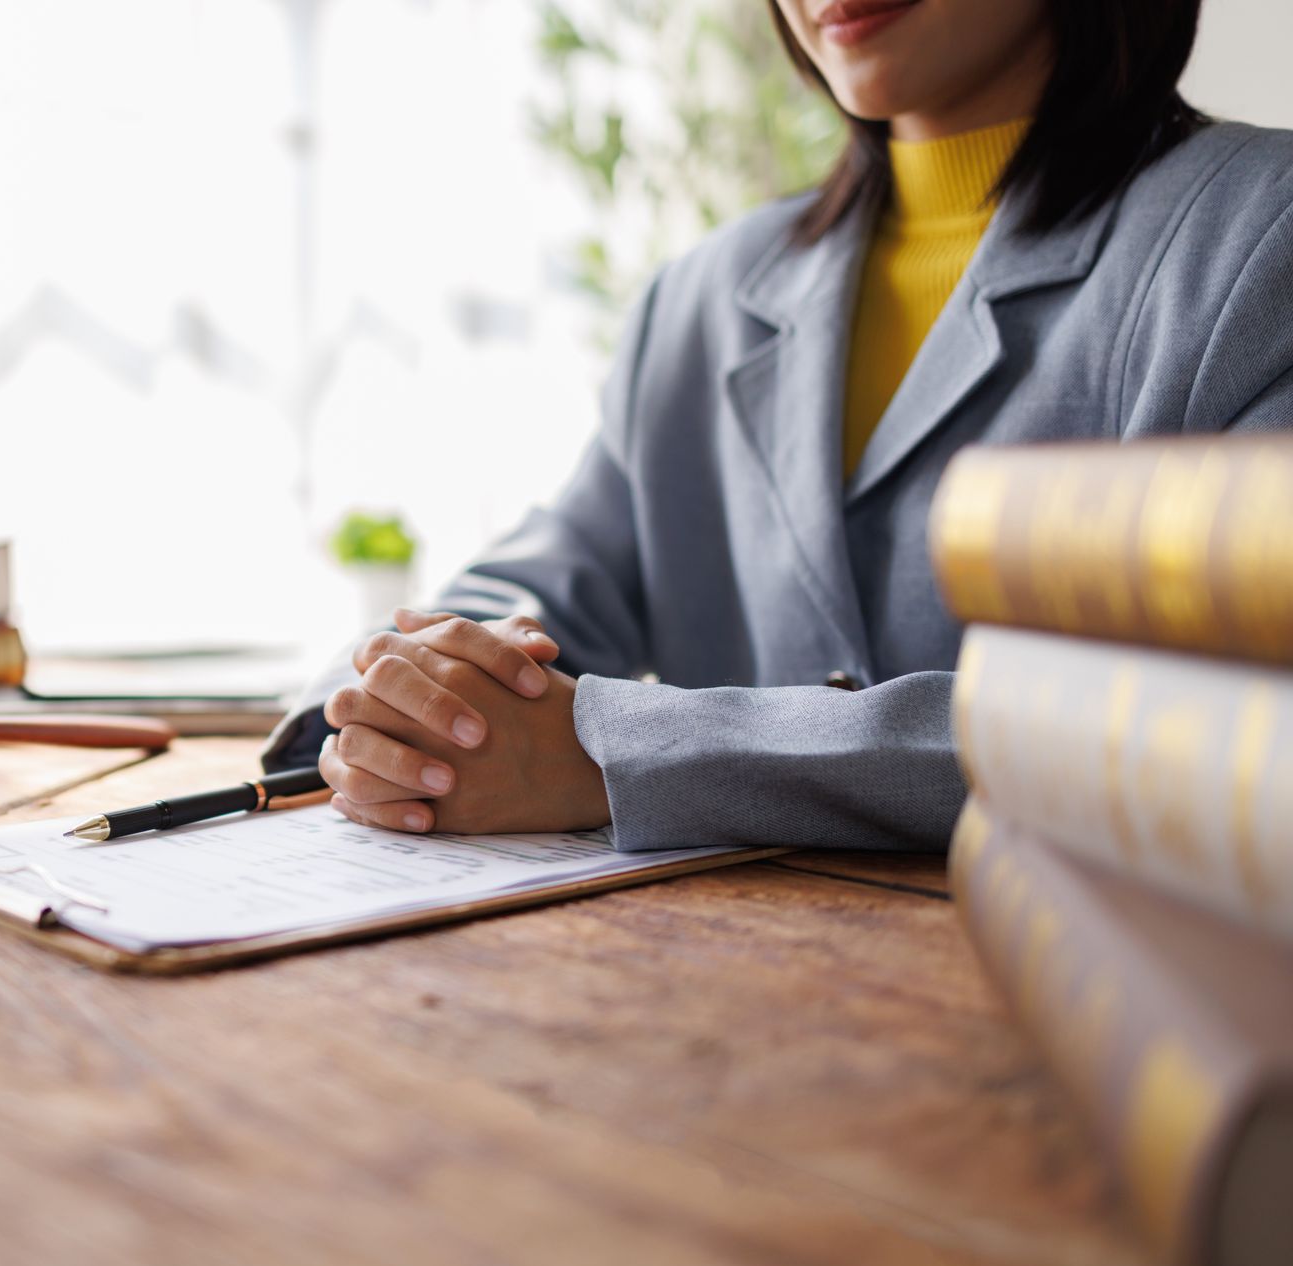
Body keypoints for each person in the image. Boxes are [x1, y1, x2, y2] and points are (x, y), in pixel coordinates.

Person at [262, 0, 1293, 852]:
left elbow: (1204, 728)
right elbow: (559, 572)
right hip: (739, 1013)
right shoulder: (707, 293)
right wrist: (386, 707)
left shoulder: (1257, 234)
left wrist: (626, 751)